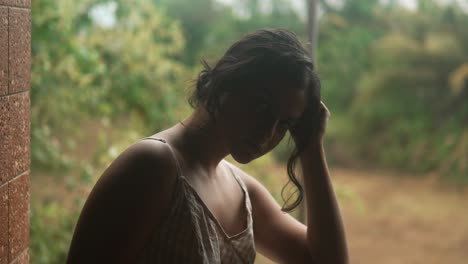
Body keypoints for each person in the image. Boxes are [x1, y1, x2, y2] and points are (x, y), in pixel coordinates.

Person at [66, 28, 348, 264]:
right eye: (261, 106)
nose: (268, 133)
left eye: (285, 123)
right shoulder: (152, 167)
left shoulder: (242, 191)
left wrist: (311, 145)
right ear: (226, 83)